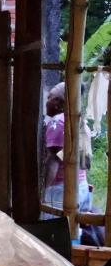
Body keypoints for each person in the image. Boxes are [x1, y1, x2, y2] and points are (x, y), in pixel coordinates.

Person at [43, 82, 95, 216]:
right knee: (72, 233)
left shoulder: (58, 122)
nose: (47, 102)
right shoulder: (82, 124)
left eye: (50, 97)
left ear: (59, 103)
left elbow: (53, 161)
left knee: (54, 233)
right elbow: (86, 163)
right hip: (81, 188)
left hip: (61, 192)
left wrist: (43, 192)